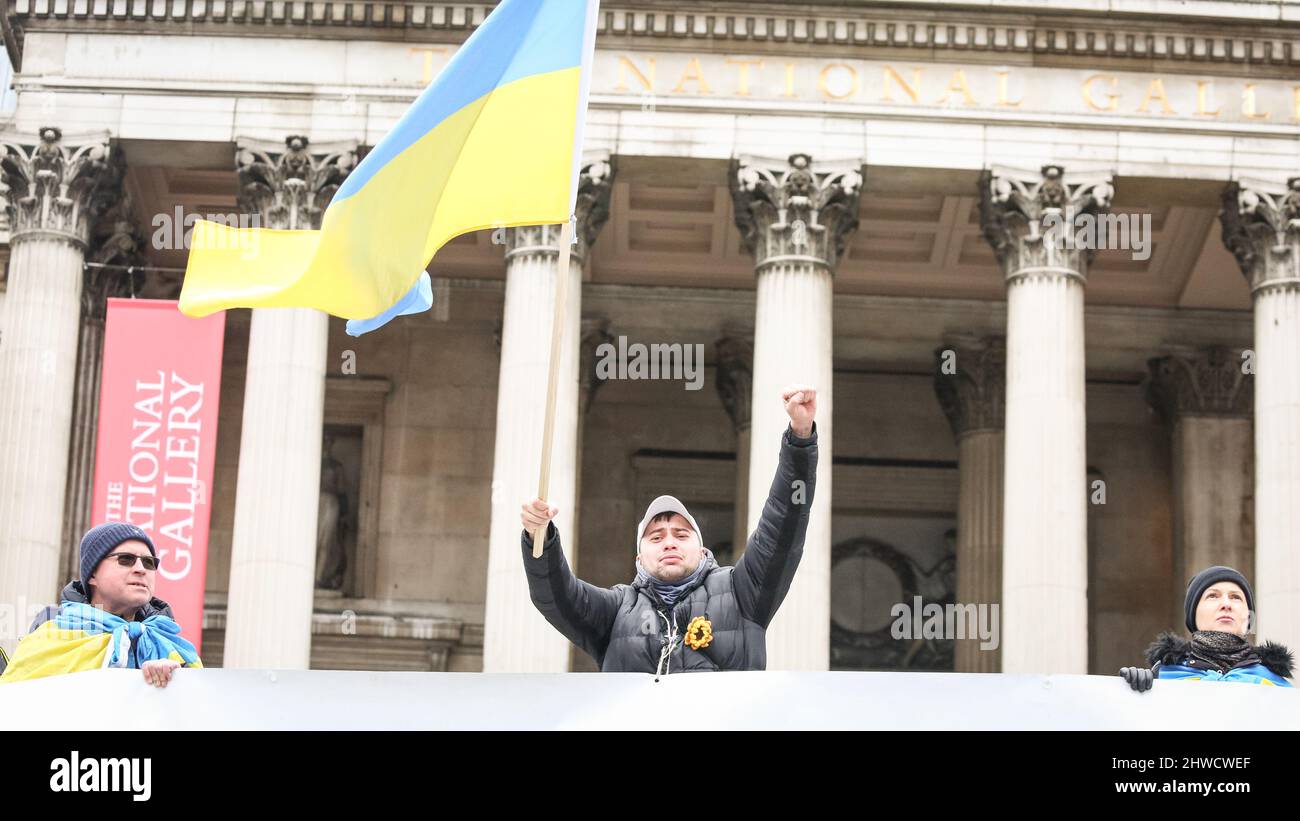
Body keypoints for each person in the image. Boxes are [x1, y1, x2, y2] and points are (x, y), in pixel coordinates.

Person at [520, 384, 818, 674]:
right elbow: (555, 596)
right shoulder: (615, 610)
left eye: (681, 534)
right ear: (639, 559)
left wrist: (800, 440)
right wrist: (540, 538)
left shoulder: (741, 592)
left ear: (702, 551)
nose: (669, 543)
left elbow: (783, 523)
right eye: (656, 537)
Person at [1, 522, 202, 686]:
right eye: (126, 559)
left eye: (149, 562)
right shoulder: (49, 636)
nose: (141, 569)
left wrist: (176, 683)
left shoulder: (174, 647)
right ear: (93, 575)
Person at [1120, 565, 1292, 690]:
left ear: (1249, 617)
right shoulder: (1162, 677)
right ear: (1193, 614)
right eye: (1212, 596)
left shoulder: (1277, 685)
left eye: (1236, 597)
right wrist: (1130, 694)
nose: (1226, 604)